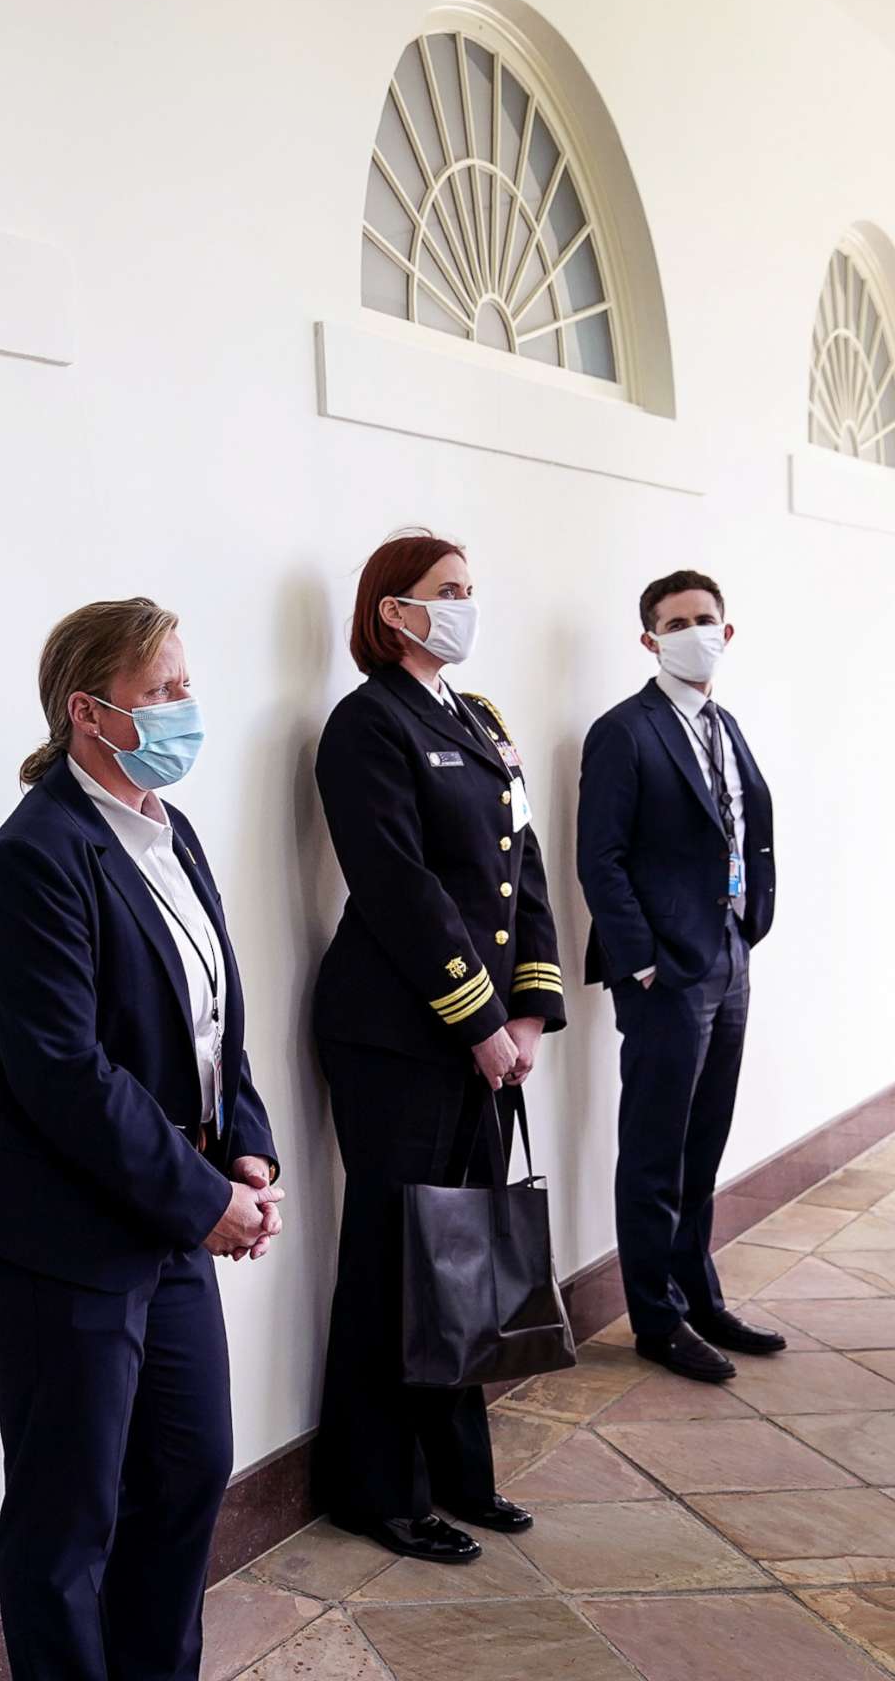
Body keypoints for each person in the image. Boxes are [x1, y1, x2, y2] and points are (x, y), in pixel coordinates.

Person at [0, 598, 283, 1681]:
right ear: (90, 711)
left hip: (168, 1202)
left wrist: (248, 1149)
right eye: (163, 690)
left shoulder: (169, 833)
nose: (188, 707)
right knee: (68, 1518)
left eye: (187, 684)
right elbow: (64, 1074)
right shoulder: (38, 854)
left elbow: (215, 1013)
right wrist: (204, 1199)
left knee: (186, 1472)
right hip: (59, 1234)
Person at [310, 530, 567, 1563]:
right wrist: (477, 1020)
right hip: (395, 1036)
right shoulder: (365, 726)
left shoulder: (480, 718)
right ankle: (376, 1489)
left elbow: (524, 863)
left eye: (470, 588)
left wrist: (532, 1009)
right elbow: (398, 886)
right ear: (393, 611)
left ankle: (461, 1472)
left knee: (459, 1260)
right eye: (445, 591)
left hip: (483, 1036)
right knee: (395, 1260)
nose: (465, 604)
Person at [577, 570, 779, 1382]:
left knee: (705, 1142)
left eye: (707, 619)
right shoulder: (624, 731)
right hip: (666, 974)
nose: (695, 631)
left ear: (726, 633)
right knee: (655, 1151)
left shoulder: (725, 725)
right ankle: (655, 1319)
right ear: (649, 638)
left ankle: (700, 1294)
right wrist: (645, 961)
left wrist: (750, 925)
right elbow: (601, 858)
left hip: (728, 957)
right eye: (677, 621)